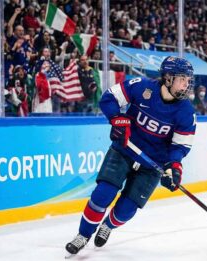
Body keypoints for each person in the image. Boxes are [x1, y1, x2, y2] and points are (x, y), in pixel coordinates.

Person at [65, 56, 197, 255]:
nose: (187, 84)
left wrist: (174, 166)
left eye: (188, 80)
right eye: (182, 79)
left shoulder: (186, 111)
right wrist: (117, 120)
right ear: (168, 78)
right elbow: (109, 98)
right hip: (125, 149)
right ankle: (83, 235)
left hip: (153, 164)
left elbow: (180, 145)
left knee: (127, 209)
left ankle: (107, 226)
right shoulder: (141, 86)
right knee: (103, 194)